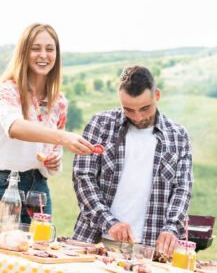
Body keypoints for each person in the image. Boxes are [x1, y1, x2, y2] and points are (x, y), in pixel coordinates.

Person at [72, 65, 193, 257]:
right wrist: (109, 222)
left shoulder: (178, 136)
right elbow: (83, 178)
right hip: (95, 241)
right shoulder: (100, 125)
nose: (138, 117)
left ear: (157, 95)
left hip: (151, 249)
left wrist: (171, 227)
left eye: (145, 108)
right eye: (128, 109)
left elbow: (182, 188)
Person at [0, 23, 93, 224]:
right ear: (24, 52)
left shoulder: (58, 102)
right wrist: (64, 137)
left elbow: (53, 152)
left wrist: (53, 161)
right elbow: (14, 127)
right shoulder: (6, 90)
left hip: (39, 188)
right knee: (2, 249)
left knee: (40, 251)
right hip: (2, 185)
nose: (43, 55)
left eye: (50, 49)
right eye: (36, 48)